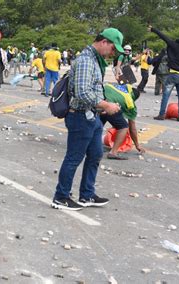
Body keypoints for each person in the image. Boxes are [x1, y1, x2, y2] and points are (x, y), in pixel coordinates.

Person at [51, 28, 123, 211]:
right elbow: (82, 92)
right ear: (104, 42)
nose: (113, 54)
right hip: (80, 116)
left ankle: (87, 194)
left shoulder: (94, 60)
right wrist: (106, 105)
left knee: (96, 154)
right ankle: (61, 197)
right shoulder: (85, 61)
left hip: (93, 116)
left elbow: (91, 89)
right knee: (74, 158)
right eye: (114, 49)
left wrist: (105, 104)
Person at [101, 83, 145, 160]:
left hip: (98, 102)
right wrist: (137, 145)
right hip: (109, 105)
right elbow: (132, 129)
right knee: (123, 127)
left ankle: (88, 146)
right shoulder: (130, 102)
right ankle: (113, 153)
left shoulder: (115, 87)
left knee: (98, 125)